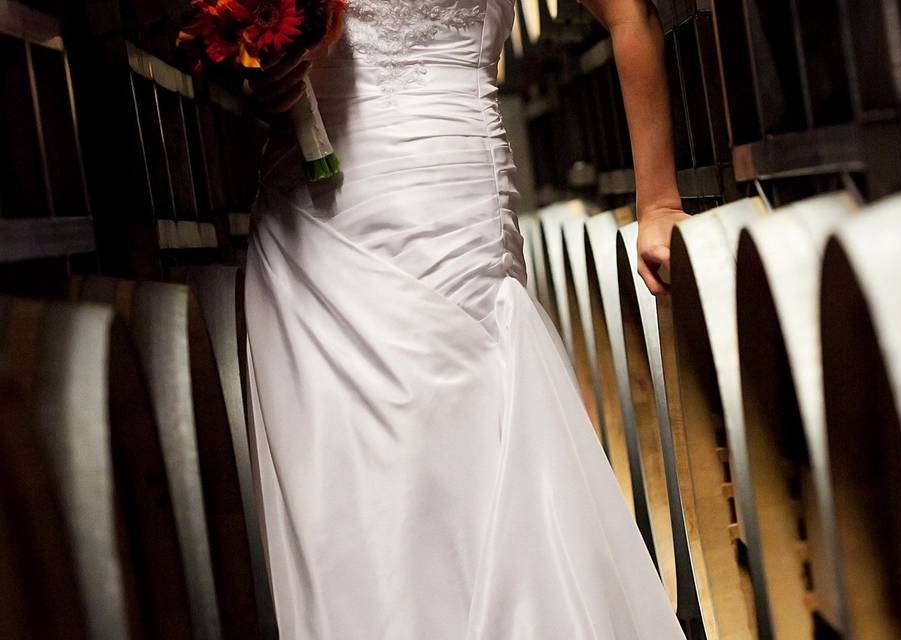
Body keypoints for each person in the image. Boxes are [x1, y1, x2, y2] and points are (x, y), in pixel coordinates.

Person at [243, 0, 688, 637]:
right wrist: (266, 81)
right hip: (308, 227)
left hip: (449, 200)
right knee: (345, 500)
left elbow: (630, 17)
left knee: (469, 453)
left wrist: (660, 200)